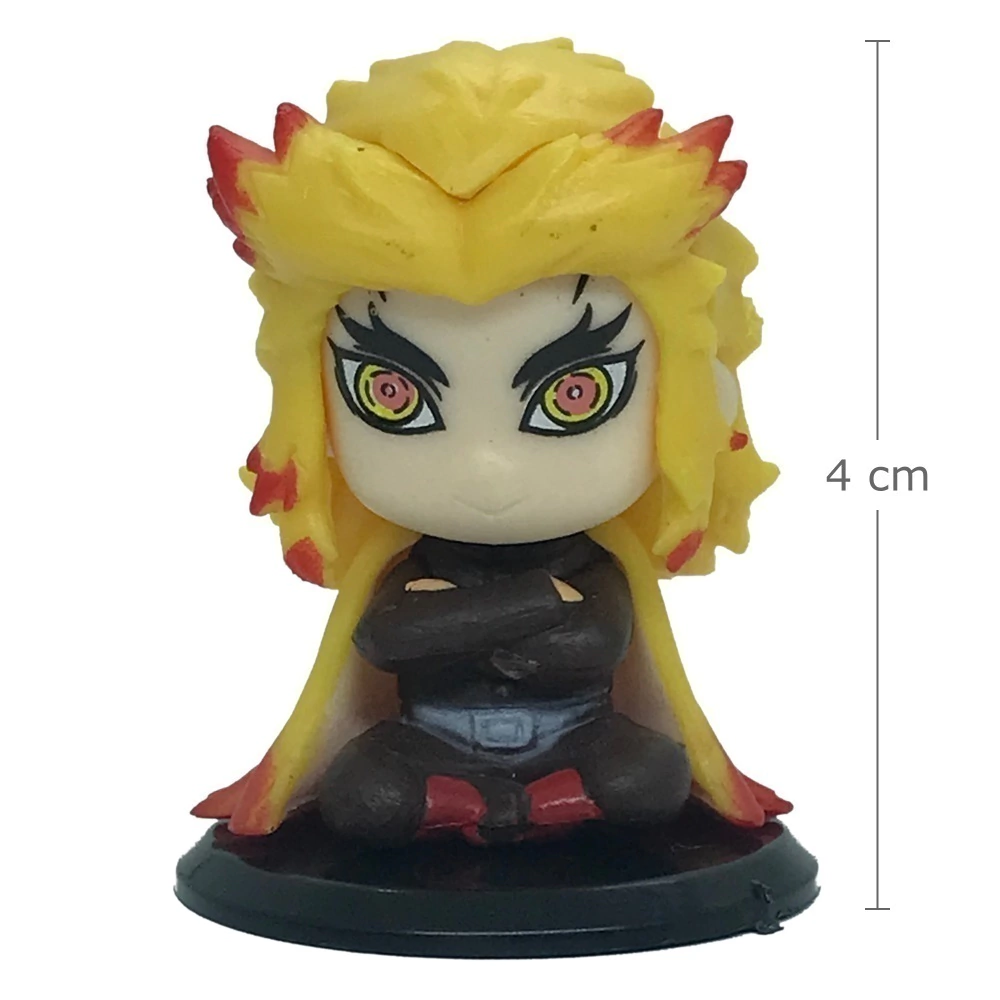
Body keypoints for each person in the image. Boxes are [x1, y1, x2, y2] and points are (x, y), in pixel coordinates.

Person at [192, 38, 791, 847]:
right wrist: (538, 604)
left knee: (650, 776)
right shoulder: (434, 567)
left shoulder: (595, 568)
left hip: (577, 737)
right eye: (392, 394)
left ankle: (517, 802)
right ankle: (516, 803)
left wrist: (461, 619)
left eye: (576, 394)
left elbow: (594, 640)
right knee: (361, 792)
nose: (485, 467)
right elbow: (386, 636)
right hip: (431, 743)